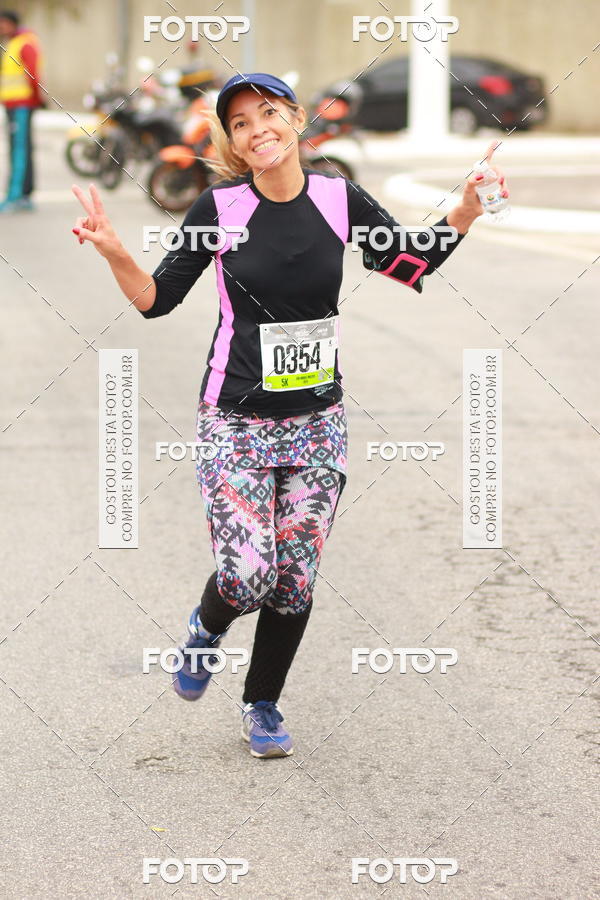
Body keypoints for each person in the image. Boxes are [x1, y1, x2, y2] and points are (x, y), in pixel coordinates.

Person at [72, 73, 508, 759]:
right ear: (234, 142)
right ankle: (206, 629)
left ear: (296, 120)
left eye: (268, 113)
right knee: (246, 574)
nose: (257, 130)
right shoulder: (220, 206)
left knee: (293, 576)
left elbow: (409, 265)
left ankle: (263, 703)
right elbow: (157, 300)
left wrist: (468, 211)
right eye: (240, 123)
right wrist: (115, 250)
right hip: (234, 419)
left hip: (317, 421)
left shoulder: (338, 198)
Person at [0, 9, 44, 213]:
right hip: (13, 105)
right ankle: (24, 194)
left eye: (3, 23)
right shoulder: (13, 43)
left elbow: (32, 75)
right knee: (20, 149)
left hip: (22, 105)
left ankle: (16, 195)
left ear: (12, 23)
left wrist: (37, 99)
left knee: (19, 150)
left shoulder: (24, 43)